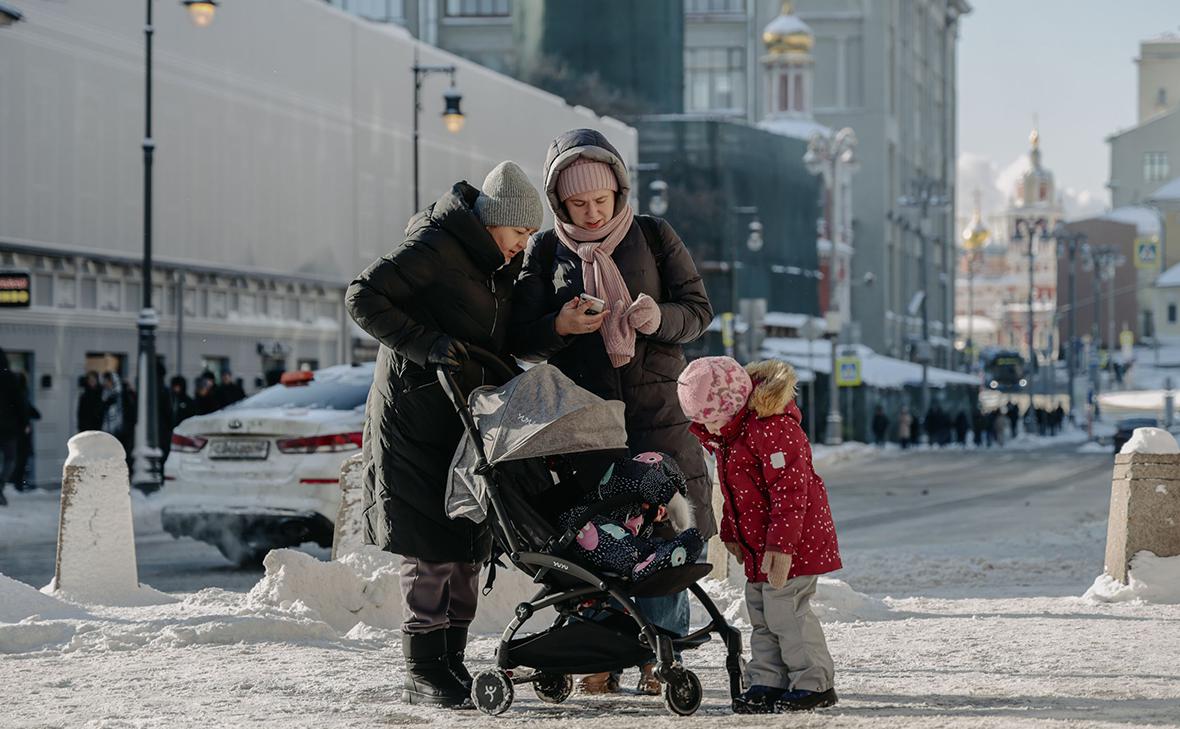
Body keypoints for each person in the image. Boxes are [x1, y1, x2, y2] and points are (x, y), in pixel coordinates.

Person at [509, 129, 714, 695]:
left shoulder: (653, 235)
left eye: (601, 200)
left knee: (665, 528)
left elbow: (697, 311)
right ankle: (598, 656)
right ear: (558, 204)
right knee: (597, 534)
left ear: (620, 191)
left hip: (655, 409)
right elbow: (520, 338)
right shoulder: (546, 250)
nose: (592, 212)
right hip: (585, 418)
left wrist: (657, 320)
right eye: (578, 204)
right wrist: (559, 326)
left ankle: (659, 655)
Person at [346, 161, 542, 709]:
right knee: (430, 546)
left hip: (464, 422)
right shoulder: (437, 245)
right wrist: (424, 344)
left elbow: (502, 337)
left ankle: (452, 660)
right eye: (519, 232)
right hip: (413, 421)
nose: (523, 245)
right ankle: (424, 669)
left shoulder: (498, 266)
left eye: (530, 236)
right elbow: (362, 295)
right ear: (492, 222)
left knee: (466, 541)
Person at [678, 356, 841, 714]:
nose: (710, 429)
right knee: (762, 613)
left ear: (731, 406)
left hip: (793, 545)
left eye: (712, 420)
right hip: (759, 546)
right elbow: (735, 493)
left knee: (787, 612)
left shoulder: (773, 428)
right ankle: (768, 679)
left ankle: (814, 682)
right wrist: (730, 533)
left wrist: (781, 548)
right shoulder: (730, 435)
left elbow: (791, 493)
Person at [0, 348, 30, 506]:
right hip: (8, 427)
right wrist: (25, 422)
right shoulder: (10, 377)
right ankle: (1, 485)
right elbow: (19, 403)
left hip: (7, 426)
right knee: (10, 458)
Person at [12, 372, 41, 491]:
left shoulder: (15, 394)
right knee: (21, 458)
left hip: (15, 431)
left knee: (17, 458)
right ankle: (18, 483)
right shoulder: (22, 394)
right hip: (22, 432)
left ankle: (17, 482)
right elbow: (29, 411)